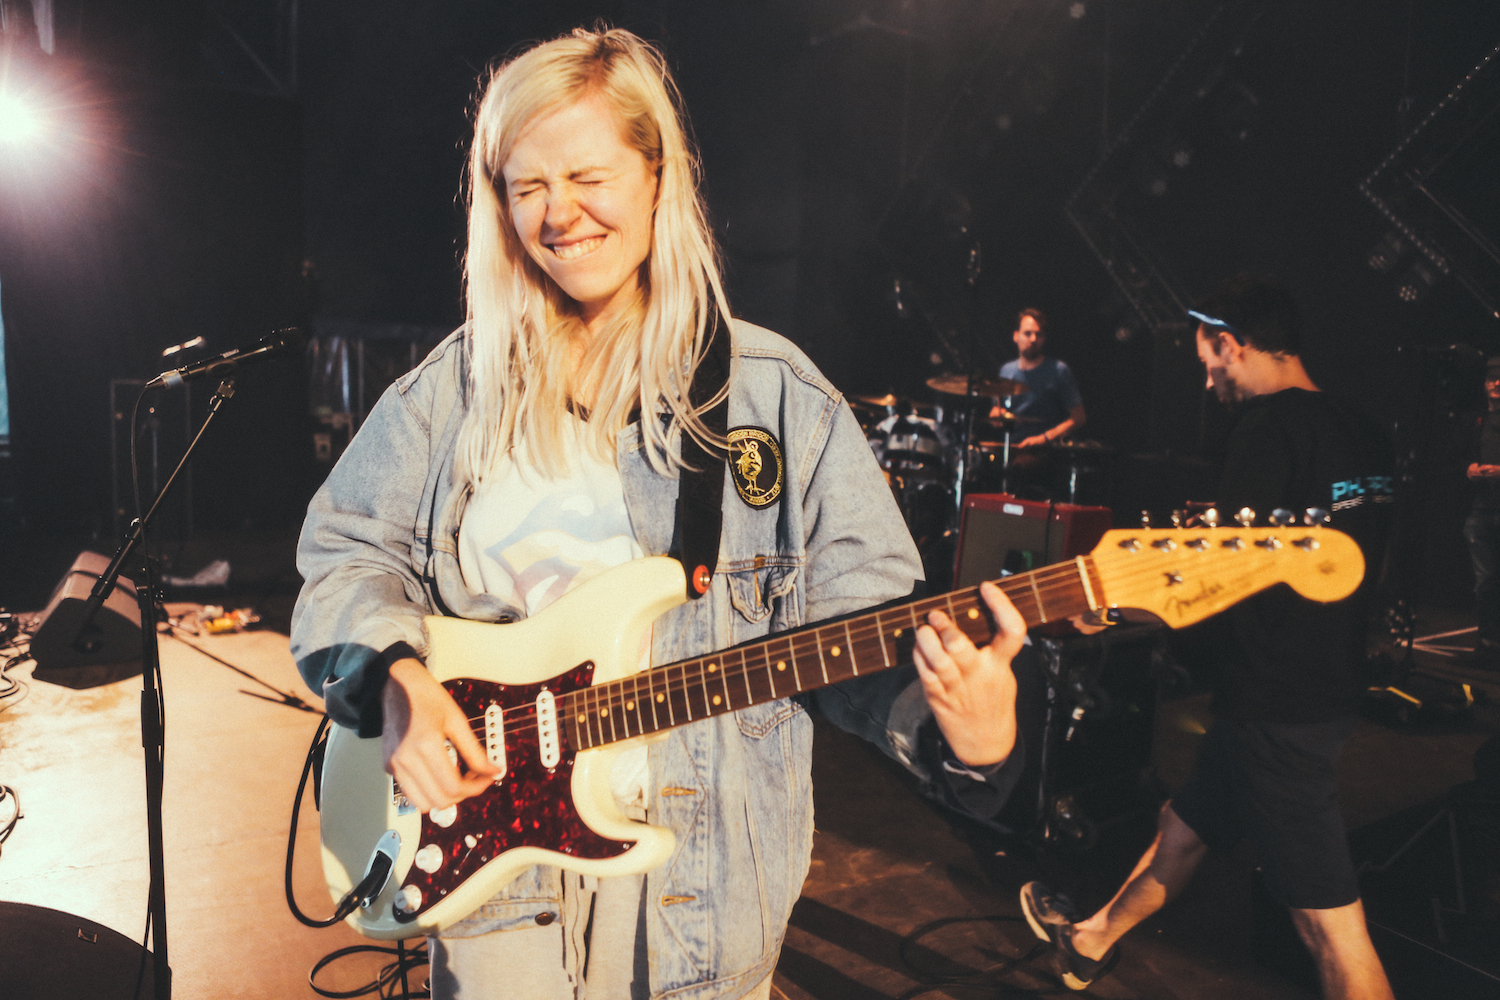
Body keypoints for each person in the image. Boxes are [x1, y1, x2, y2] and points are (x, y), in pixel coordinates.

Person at [291, 28, 1030, 1000]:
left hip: (705, 888)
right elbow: (343, 554)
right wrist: (396, 681)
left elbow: (862, 647)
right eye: (527, 187)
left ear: (657, 175)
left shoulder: (778, 401)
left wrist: (969, 732)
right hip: (492, 879)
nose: (559, 216)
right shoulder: (449, 394)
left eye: (588, 174)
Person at [1018, 275, 1395, 1000]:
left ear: (1232, 342)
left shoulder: (1265, 428)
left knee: (1333, 935)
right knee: (1182, 824)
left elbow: (1217, 576)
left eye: (1209, 359)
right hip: (1328, 685)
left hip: (1277, 706)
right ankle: (1088, 944)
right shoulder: (1365, 429)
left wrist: (1122, 609)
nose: (1208, 376)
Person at [995, 308, 1085, 449]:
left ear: (1044, 339)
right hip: (1011, 446)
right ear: (1016, 336)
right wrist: (996, 415)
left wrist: (1044, 438)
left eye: (1039, 334)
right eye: (1027, 333)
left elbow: (1078, 418)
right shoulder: (1006, 370)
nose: (1033, 339)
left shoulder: (1058, 370)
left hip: (1045, 450)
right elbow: (997, 409)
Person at [1465, 356, 1500, 665]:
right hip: (1482, 509)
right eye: (1491, 378)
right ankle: (1488, 642)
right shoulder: (1478, 421)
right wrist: (1470, 468)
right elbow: (1458, 458)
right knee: (1485, 579)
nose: (1496, 382)